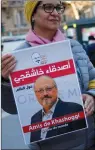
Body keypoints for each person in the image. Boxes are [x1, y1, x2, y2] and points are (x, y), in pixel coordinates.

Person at [1, 0, 95, 150]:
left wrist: (91, 95)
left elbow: (92, 79)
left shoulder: (74, 47)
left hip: (87, 139)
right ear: (32, 15)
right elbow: (12, 108)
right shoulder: (17, 57)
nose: (56, 13)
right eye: (48, 7)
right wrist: (5, 81)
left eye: (58, 7)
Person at [30, 75, 86, 142]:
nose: (45, 94)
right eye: (40, 91)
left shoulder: (74, 109)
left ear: (56, 89)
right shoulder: (34, 118)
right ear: (36, 94)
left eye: (48, 89)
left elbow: (81, 141)